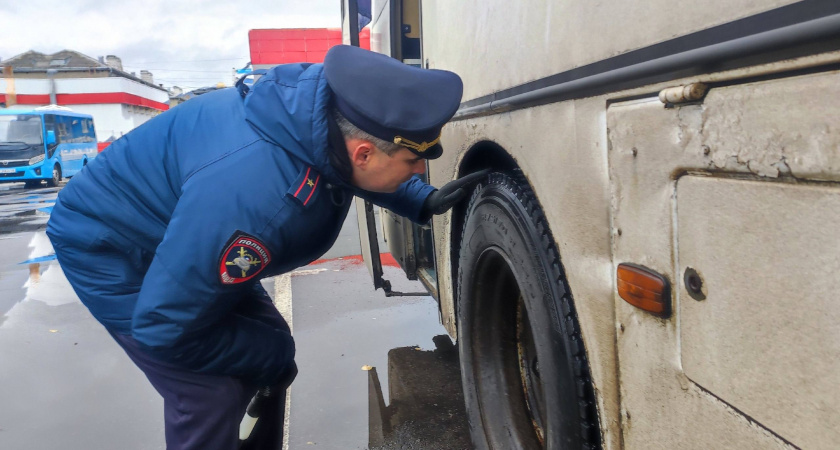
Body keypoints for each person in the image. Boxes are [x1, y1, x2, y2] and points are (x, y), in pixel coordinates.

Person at [45, 44, 488, 450]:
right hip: (112, 244)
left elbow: (337, 164)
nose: (418, 170)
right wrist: (271, 357)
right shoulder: (259, 203)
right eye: (413, 163)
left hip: (180, 235)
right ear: (365, 154)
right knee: (211, 390)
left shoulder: (315, 116)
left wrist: (419, 199)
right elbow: (163, 330)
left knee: (270, 362)